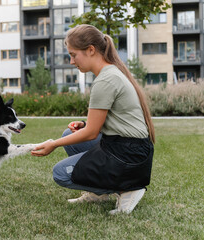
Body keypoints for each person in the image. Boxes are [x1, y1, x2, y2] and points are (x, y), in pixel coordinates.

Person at [31, 24, 155, 214]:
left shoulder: (106, 79)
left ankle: (128, 188)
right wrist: (84, 124)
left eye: (73, 55)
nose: (72, 61)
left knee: (60, 174)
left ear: (90, 50)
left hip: (128, 155)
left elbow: (91, 134)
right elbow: (105, 123)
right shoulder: (110, 73)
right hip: (131, 149)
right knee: (69, 134)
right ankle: (100, 193)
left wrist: (53, 144)